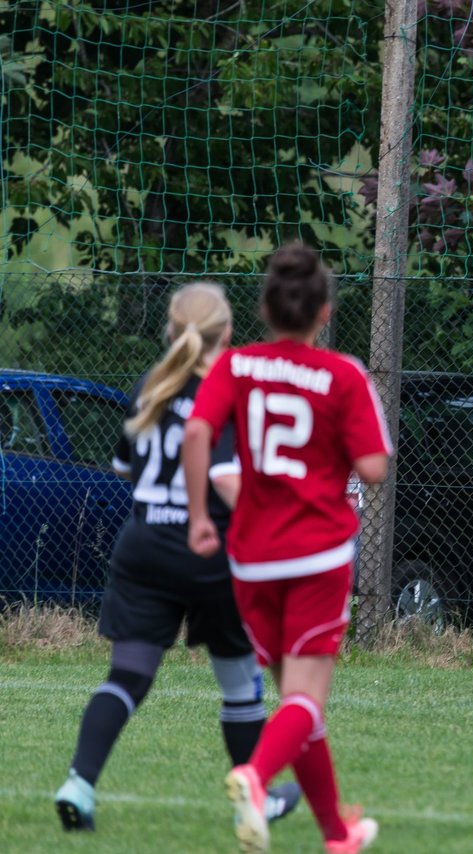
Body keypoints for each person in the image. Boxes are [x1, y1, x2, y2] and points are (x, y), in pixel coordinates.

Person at [54, 282, 302, 831]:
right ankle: (254, 802)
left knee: (128, 676)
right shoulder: (229, 388)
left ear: (168, 330)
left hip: (143, 548)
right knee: (240, 684)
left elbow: (124, 468)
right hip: (210, 548)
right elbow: (224, 474)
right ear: (228, 333)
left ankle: (79, 783)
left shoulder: (151, 384)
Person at [183, 242, 392, 854]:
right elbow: (374, 467)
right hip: (317, 555)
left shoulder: (236, 366)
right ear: (324, 312)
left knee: (298, 699)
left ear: (265, 309)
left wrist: (201, 516)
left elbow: (198, 432)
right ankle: (253, 775)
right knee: (305, 697)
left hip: (252, 553)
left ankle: (337, 833)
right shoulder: (343, 374)